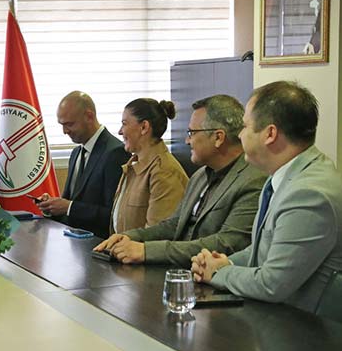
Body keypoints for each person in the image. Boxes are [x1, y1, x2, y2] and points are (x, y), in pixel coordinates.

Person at [191, 81, 342, 313]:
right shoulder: (285, 175)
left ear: (270, 134)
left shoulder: (309, 194)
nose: (240, 134)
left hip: (310, 336)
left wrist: (218, 272)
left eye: (245, 127)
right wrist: (226, 262)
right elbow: (266, 250)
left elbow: (273, 283)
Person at [95, 95, 266, 266]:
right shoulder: (200, 176)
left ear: (218, 138)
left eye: (192, 133)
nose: (187, 140)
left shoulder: (252, 181)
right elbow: (174, 225)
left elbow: (226, 243)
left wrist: (146, 250)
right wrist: (132, 237)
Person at [37, 91, 129, 238]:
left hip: (98, 245)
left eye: (70, 124)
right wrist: (52, 207)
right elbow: (70, 203)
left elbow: (114, 214)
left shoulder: (115, 152)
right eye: (62, 125)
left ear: (89, 116)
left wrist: (69, 207)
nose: (65, 131)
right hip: (71, 242)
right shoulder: (75, 153)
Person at [110, 98, 188, 233]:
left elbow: (157, 234)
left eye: (124, 124)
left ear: (144, 127)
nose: (120, 131)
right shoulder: (133, 165)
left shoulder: (165, 171)